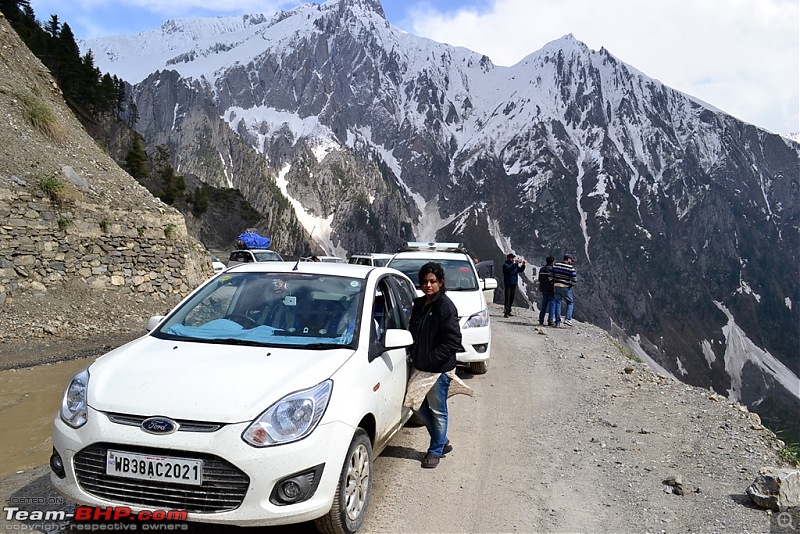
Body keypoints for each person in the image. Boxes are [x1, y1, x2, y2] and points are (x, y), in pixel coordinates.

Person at [408, 262, 462, 469]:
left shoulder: (445, 307)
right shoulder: (420, 305)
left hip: (438, 368)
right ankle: (442, 440)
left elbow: (453, 341)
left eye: (432, 281)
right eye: (424, 281)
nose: (428, 285)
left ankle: (435, 450)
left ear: (440, 283)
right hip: (421, 366)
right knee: (415, 404)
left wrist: (431, 358)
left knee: (438, 410)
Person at [551, 254, 577, 327]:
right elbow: (574, 279)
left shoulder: (556, 265)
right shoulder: (570, 267)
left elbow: (550, 275)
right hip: (566, 287)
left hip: (556, 286)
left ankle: (557, 322)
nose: (571, 261)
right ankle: (568, 319)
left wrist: (553, 282)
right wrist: (571, 285)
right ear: (568, 259)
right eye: (571, 260)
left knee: (557, 303)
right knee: (570, 302)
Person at [501, 253, 525, 317]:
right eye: (511, 258)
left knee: (511, 298)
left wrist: (523, 266)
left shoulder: (514, 265)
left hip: (514, 283)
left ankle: (509, 310)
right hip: (508, 283)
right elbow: (509, 269)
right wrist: (516, 264)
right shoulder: (505, 265)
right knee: (507, 298)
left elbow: (520, 270)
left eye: (513, 258)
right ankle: (506, 312)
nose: (512, 259)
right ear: (508, 258)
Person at [537, 256, 556, 326]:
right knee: (552, 304)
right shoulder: (553, 270)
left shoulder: (542, 269)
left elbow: (539, 279)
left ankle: (541, 319)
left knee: (544, 304)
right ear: (552, 261)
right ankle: (550, 320)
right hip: (551, 289)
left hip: (543, 288)